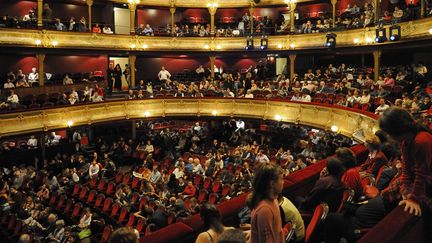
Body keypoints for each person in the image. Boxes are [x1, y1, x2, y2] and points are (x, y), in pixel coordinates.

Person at [379, 107, 432, 216]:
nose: (388, 137)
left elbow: (422, 174)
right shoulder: (405, 141)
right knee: (386, 196)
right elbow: (406, 167)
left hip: (428, 183)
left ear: (398, 131)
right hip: (418, 180)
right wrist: (405, 188)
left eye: (389, 133)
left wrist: (413, 199)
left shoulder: (422, 140)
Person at [247, 163, 284, 243]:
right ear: (272, 183)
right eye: (281, 179)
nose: (283, 182)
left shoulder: (274, 200)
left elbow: (280, 232)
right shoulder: (264, 210)